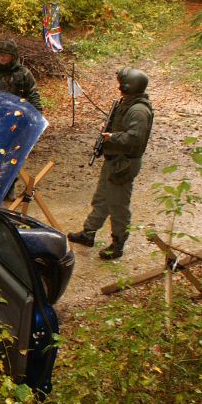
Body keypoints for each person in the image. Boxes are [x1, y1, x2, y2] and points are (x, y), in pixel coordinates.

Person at [68, 67, 154, 260]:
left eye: (121, 84)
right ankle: (88, 232)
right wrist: (108, 129)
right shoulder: (127, 103)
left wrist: (112, 137)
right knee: (102, 199)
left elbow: (135, 138)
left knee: (118, 205)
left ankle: (118, 244)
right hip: (114, 160)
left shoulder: (139, 110)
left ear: (129, 86)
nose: (119, 87)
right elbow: (121, 126)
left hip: (124, 163)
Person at [0, 39, 43, 111]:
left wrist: (37, 113)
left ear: (13, 57)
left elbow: (33, 95)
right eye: (0, 54)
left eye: (6, 55)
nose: (2, 57)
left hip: (17, 111)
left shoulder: (23, 73)